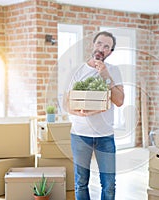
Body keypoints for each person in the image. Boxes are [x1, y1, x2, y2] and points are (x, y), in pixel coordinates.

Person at [65, 31, 124, 200]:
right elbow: (68, 103)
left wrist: (105, 75)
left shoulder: (114, 71)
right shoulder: (77, 70)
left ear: (110, 52)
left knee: (109, 185)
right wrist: (81, 112)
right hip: (80, 134)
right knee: (81, 182)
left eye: (106, 46)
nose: (101, 48)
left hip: (105, 136)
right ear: (93, 44)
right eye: (99, 44)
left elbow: (119, 101)